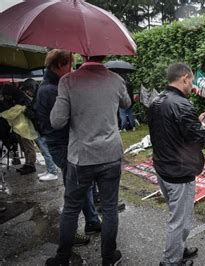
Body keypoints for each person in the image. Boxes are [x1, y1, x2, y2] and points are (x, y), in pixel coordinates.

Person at [46, 55, 130, 266]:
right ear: (105, 55)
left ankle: (62, 258)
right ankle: (109, 258)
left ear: (83, 55)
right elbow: (127, 102)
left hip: (81, 157)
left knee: (71, 208)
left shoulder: (68, 81)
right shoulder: (115, 79)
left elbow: (56, 122)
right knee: (110, 208)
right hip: (110, 155)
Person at [149, 63, 205, 266]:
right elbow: (200, 140)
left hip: (163, 167)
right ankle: (170, 261)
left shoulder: (156, 100)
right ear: (184, 78)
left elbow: (173, 130)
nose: (192, 85)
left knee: (178, 216)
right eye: (191, 81)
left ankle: (179, 249)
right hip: (179, 172)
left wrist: (195, 122)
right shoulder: (182, 104)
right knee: (179, 221)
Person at [35, 50, 100, 247]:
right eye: (70, 65)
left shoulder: (51, 85)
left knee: (83, 184)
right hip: (61, 144)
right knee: (74, 190)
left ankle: (92, 221)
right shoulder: (52, 89)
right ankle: (69, 235)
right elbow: (61, 120)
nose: (71, 69)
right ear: (60, 65)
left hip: (62, 142)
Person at [21, 78, 59, 181]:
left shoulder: (38, 96)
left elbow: (38, 114)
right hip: (43, 128)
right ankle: (50, 169)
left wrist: (27, 112)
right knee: (45, 151)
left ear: (31, 88)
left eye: (27, 90)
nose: (27, 93)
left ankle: (52, 171)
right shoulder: (39, 94)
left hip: (43, 128)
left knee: (45, 151)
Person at [1, 84, 37, 175]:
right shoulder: (13, 98)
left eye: (6, 95)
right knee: (24, 146)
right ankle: (27, 163)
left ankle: (31, 164)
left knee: (27, 145)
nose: (6, 97)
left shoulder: (21, 99)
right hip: (18, 126)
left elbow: (28, 110)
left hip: (25, 125)